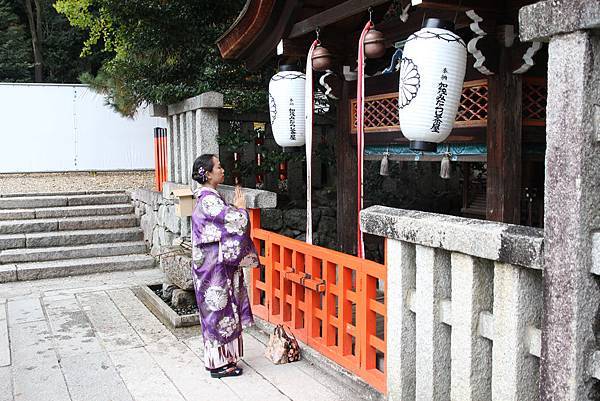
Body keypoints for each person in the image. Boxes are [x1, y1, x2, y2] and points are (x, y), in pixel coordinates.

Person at [190, 154, 259, 378]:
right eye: (218, 167)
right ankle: (218, 364)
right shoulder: (208, 200)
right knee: (218, 312)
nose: (222, 170)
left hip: (212, 264)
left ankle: (224, 359)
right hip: (213, 268)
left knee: (221, 311)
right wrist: (240, 209)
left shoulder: (208, 197)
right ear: (208, 174)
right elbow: (234, 222)